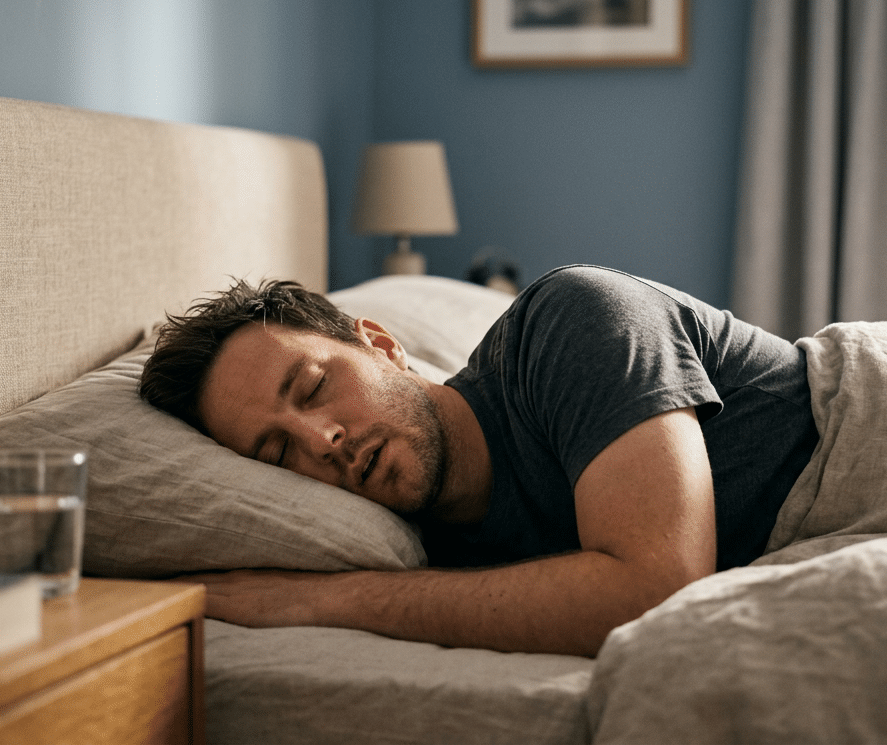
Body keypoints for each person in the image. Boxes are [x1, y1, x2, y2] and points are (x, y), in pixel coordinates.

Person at [140, 265, 818, 657]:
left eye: (315, 388)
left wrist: (324, 600)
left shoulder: (570, 321)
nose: (321, 442)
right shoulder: (422, 551)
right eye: (276, 453)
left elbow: (655, 589)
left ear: (380, 344)